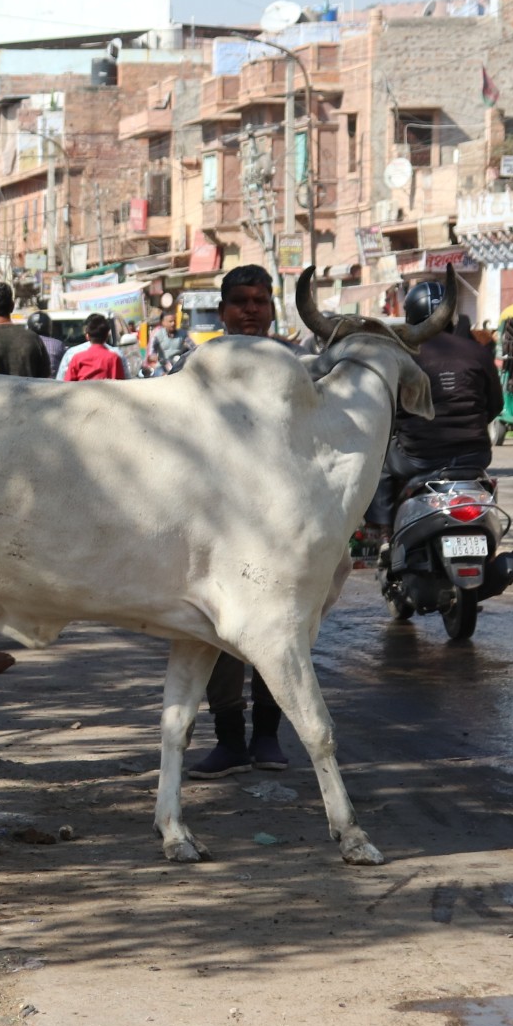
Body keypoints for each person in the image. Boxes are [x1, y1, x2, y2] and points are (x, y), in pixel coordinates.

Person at [187, 263, 289, 777]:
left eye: (261, 301)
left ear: (272, 309)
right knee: (220, 634)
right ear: (223, 310)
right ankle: (229, 741)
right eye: (241, 301)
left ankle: (268, 737)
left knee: (277, 630)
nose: (251, 309)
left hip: (280, 526)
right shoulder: (200, 366)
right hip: (217, 523)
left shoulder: (293, 366)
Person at [366, 279, 501, 534]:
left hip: (419, 459)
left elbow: (386, 410)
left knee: (380, 461)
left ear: (412, 315)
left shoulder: (401, 355)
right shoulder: (478, 352)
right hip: (475, 456)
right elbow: (495, 406)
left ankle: (382, 532)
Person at [59, 313, 126, 380]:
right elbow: (121, 383)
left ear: (87, 336)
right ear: (107, 336)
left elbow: (65, 383)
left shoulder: (75, 357)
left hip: (81, 390)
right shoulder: (114, 357)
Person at [142, 305, 196, 376]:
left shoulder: (183, 334)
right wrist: (160, 359)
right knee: (161, 375)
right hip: (162, 366)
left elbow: (193, 348)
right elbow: (150, 355)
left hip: (178, 364)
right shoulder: (156, 335)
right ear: (163, 323)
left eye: (174, 321)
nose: (173, 324)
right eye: (170, 321)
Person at [26, 309, 67, 375]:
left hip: (27, 382)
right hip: (53, 383)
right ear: (49, 327)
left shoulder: (23, 343)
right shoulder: (59, 344)